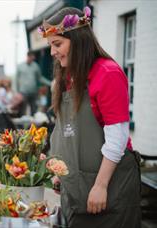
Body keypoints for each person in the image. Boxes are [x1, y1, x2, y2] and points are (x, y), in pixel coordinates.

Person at [42, 7, 140, 227]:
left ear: (78, 40)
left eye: (57, 44)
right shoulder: (69, 77)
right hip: (77, 192)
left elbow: (117, 139)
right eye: (51, 46)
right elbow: (67, 131)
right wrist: (62, 173)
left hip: (110, 192)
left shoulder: (108, 74)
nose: (52, 53)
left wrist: (101, 186)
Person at [15, 51, 51, 116]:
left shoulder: (35, 66)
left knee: (34, 112)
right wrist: (17, 92)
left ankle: (33, 126)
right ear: (28, 56)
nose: (33, 58)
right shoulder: (20, 66)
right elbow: (16, 80)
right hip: (23, 93)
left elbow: (40, 78)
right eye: (32, 56)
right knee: (22, 112)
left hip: (33, 93)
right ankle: (21, 126)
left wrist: (50, 83)